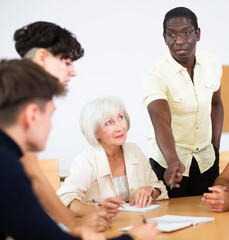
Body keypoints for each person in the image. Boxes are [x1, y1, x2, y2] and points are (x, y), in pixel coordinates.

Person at [0, 59, 159, 240]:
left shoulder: (8, 160)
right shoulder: (7, 168)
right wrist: (133, 238)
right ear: (32, 115)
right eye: (51, 115)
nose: (51, 126)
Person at [12, 21, 109, 232]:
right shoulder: (19, 101)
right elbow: (31, 177)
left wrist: (73, 224)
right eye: (66, 62)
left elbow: (34, 174)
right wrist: (73, 225)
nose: (73, 72)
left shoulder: (25, 96)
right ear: (41, 57)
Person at [142, 7, 224, 198]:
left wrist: (215, 147)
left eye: (186, 33)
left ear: (197, 34)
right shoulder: (155, 75)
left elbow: (216, 104)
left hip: (206, 160)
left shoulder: (212, 63)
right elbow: (160, 120)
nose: (179, 41)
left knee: (208, 218)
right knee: (172, 219)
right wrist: (172, 161)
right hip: (170, 164)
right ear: (164, 38)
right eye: (171, 34)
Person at [57, 96, 168, 218]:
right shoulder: (86, 160)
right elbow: (64, 199)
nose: (120, 128)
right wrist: (98, 211)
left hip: (136, 224)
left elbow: (159, 187)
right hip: (103, 228)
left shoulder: (134, 150)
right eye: (108, 122)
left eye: (121, 117)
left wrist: (150, 191)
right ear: (95, 132)